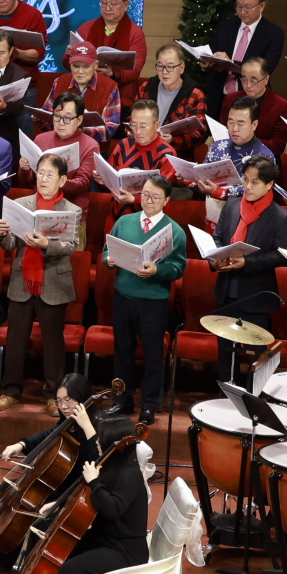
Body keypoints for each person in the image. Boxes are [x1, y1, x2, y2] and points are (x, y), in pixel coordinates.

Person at [26, 412, 148, 574]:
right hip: (106, 539)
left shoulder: (130, 474)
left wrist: (94, 482)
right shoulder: (113, 465)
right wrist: (59, 503)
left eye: (101, 439)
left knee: (73, 570)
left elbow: (113, 508)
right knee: (59, 551)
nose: (97, 443)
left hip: (124, 550)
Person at [0, 151, 79, 409]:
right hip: (22, 279)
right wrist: (3, 235)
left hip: (53, 281)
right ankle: (11, 391)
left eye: (50, 175)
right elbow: (11, 244)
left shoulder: (72, 210)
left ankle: (55, 395)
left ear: (62, 180)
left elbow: (71, 246)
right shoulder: (21, 203)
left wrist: (47, 245)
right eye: (40, 173)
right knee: (15, 339)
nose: (43, 178)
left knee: (53, 343)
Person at [108, 173, 184, 427]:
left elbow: (178, 267)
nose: (149, 201)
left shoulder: (174, 231)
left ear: (166, 200)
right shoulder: (125, 222)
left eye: (156, 198)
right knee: (122, 350)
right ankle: (122, 399)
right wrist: (109, 259)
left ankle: (149, 404)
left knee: (152, 354)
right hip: (124, 296)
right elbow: (108, 250)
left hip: (153, 301)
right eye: (146, 195)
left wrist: (157, 270)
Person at [208, 156, 287, 381]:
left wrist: (248, 263)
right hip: (226, 293)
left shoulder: (281, 216)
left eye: (255, 182)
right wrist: (215, 260)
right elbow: (217, 238)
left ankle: (254, 398)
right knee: (225, 355)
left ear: (270, 184)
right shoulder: (232, 206)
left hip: (255, 297)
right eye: (245, 179)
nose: (247, 186)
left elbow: (281, 255)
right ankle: (225, 394)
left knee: (255, 357)